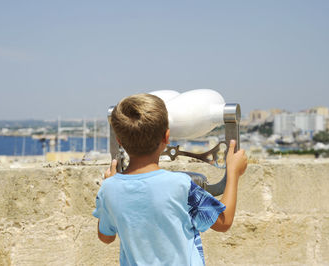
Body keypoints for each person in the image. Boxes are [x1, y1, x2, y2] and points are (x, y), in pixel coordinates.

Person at [93, 93, 247, 266]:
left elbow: (106, 236)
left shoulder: (109, 188)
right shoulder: (180, 185)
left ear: (119, 141)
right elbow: (223, 222)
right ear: (166, 137)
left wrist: (110, 187)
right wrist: (233, 172)